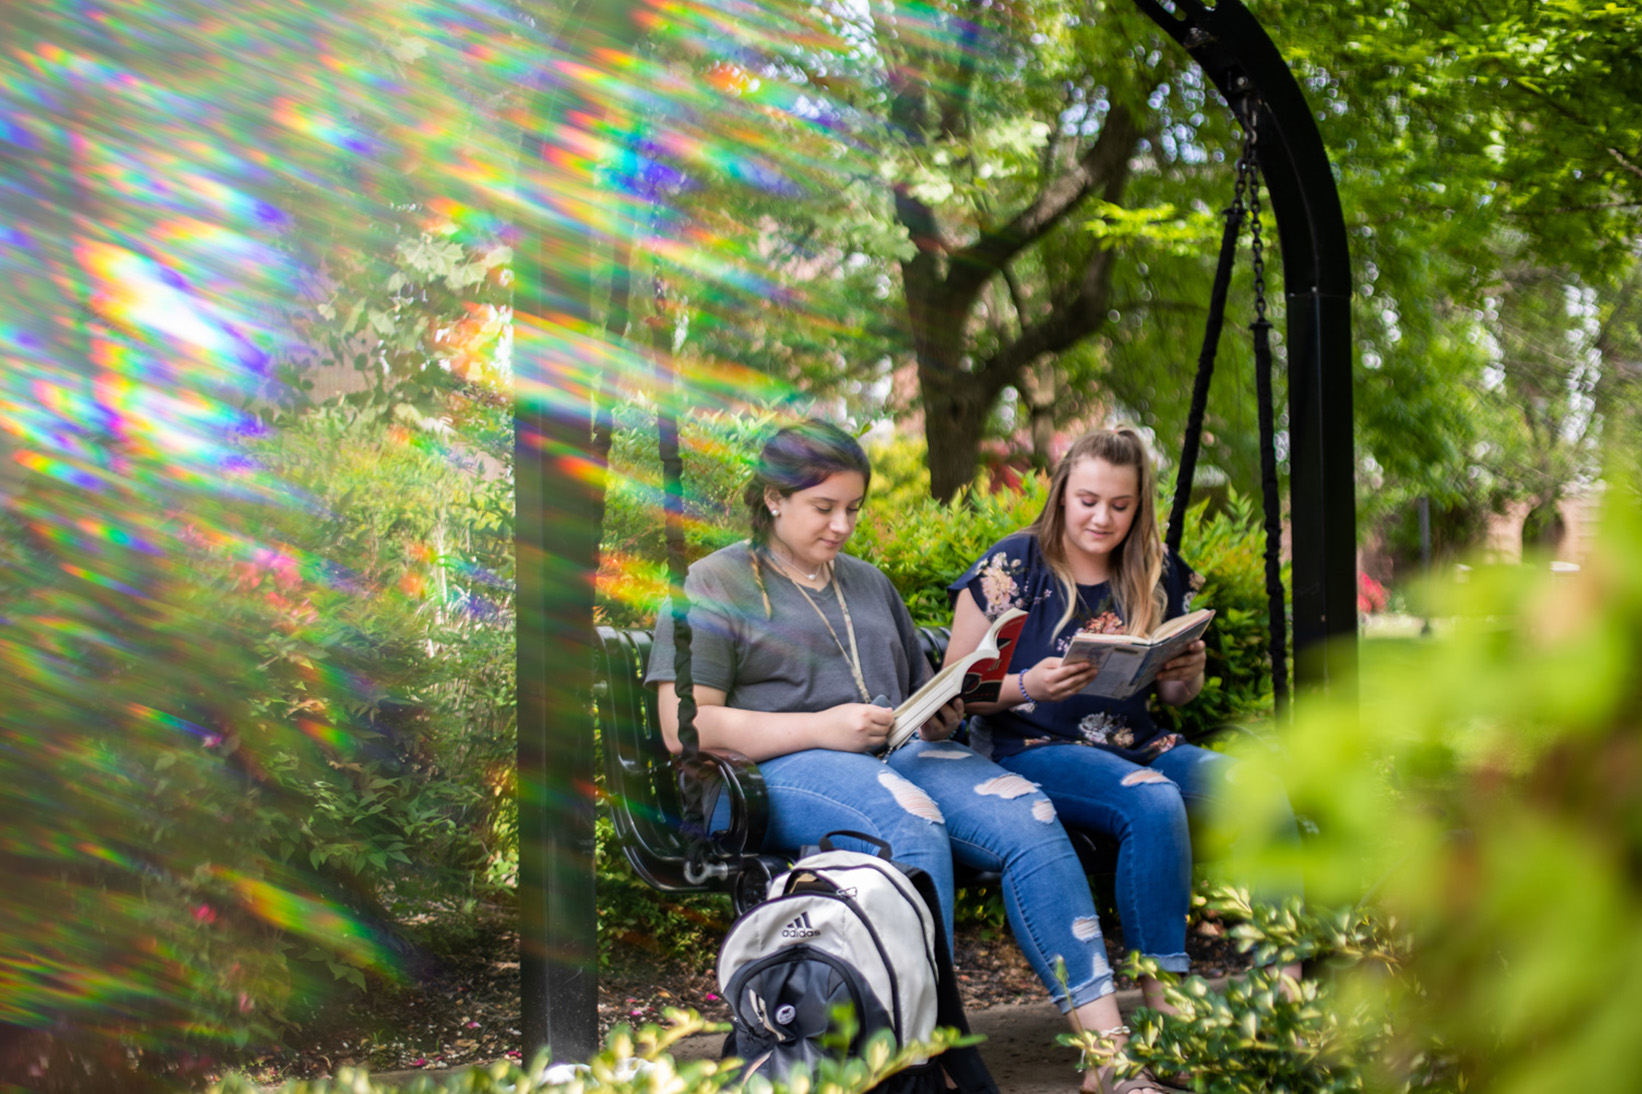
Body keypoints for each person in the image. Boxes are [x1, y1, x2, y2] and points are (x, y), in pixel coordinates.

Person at [646, 420, 1167, 1094]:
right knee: (909, 821)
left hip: (893, 758)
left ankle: (1109, 1057)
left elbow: (916, 695)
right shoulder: (714, 582)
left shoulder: (866, 584)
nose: (841, 526)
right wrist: (823, 727)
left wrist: (941, 710)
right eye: (823, 508)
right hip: (769, 774)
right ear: (774, 498)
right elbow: (684, 724)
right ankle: (929, 1060)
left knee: (1028, 814)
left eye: (853, 509)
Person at [942, 426, 1304, 1020]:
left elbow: (1176, 696)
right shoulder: (1014, 563)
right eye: (1088, 501)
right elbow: (955, 690)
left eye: (1120, 504)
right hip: (1033, 747)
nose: (1103, 518)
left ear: (1139, 505)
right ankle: (1169, 1011)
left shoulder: (1156, 570)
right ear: (1061, 493)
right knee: (1153, 800)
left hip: (1140, 744)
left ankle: (1286, 994)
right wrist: (1030, 684)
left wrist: (1190, 666)